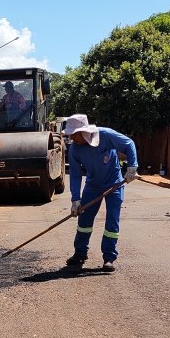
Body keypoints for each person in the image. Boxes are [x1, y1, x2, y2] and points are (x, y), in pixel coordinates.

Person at [64, 113, 138, 273]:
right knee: (84, 219)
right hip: (93, 186)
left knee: (112, 221)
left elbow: (129, 144)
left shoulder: (105, 135)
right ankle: (80, 253)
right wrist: (75, 199)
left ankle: (109, 258)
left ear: (83, 132)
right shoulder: (75, 149)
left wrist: (132, 167)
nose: (71, 138)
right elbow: (75, 175)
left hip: (115, 184)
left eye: (73, 134)